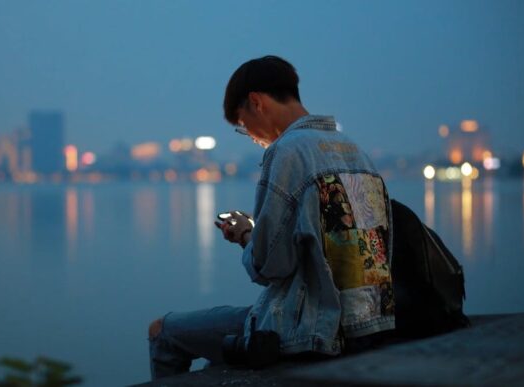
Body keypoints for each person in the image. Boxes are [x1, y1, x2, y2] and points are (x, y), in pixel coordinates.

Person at [148, 55, 395, 379]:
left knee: (162, 332)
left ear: (255, 102)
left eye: (241, 124)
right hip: (369, 326)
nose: (248, 134)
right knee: (219, 359)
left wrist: (247, 235)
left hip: (312, 330)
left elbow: (269, 267)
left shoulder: (287, 152)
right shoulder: (355, 151)